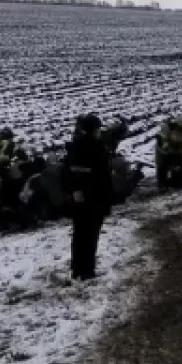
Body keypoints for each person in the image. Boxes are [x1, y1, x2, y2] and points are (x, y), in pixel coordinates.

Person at [63, 114, 114, 280]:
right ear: (94, 130)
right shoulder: (98, 149)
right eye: (98, 129)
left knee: (79, 233)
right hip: (95, 198)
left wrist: (73, 191)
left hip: (77, 198)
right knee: (91, 235)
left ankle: (77, 269)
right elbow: (104, 178)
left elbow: (66, 173)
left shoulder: (73, 148)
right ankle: (87, 270)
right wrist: (108, 201)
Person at [155, 115, 182, 188]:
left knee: (178, 166)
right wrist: (171, 151)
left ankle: (176, 181)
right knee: (162, 166)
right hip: (162, 151)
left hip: (176, 150)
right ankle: (162, 184)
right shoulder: (167, 128)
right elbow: (163, 142)